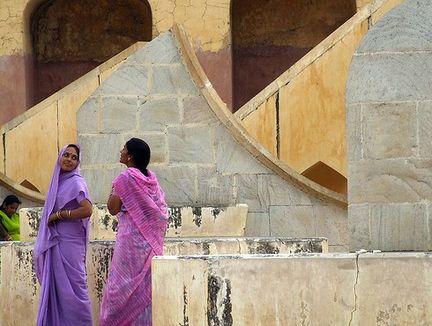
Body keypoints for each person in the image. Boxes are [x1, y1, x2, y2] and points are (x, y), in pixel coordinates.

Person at [99, 138, 168, 326]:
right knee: (143, 290)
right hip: (148, 245)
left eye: (124, 149)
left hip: (130, 243)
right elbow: (161, 213)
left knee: (118, 288)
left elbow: (113, 209)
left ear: (129, 156)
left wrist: (115, 188)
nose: (120, 151)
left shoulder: (125, 179)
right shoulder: (152, 180)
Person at [34, 144, 93, 326]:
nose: (69, 159)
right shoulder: (58, 182)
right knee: (60, 292)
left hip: (70, 244)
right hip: (57, 242)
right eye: (66, 155)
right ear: (59, 157)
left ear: (78, 162)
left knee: (76, 290)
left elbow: (87, 209)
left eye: (74, 157)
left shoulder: (76, 182)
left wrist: (60, 215)